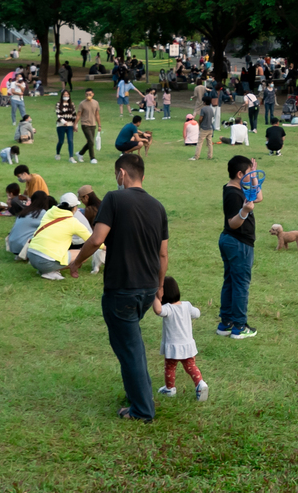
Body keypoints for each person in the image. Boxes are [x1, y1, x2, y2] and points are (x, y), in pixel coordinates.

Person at [67, 154, 169, 422]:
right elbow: (163, 255)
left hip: (122, 289)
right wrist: (159, 287)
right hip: (147, 289)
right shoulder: (158, 207)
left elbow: (97, 238)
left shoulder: (114, 197)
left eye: (116, 175)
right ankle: (137, 395)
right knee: (130, 344)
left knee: (130, 348)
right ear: (143, 176)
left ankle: (142, 410)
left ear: (121, 174)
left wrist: (76, 262)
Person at [216, 155, 260, 339]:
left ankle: (226, 323)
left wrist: (254, 176)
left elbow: (258, 196)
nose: (252, 174)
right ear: (240, 174)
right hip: (238, 243)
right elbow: (233, 223)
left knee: (231, 282)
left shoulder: (236, 187)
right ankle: (239, 327)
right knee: (241, 284)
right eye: (250, 172)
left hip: (232, 242)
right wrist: (244, 212)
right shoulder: (234, 194)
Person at [153, 276, 209, 401]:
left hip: (173, 347)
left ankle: (170, 389)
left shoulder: (168, 309)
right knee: (191, 367)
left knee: (170, 368)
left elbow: (158, 310)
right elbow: (197, 313)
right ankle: (200, 383)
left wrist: (154, 295)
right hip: (187, 346)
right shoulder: (187, 305)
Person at [25, 200, 93, 280]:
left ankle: (44, 269)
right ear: (74, 208)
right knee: (84, 254)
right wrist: (107, 248)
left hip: (31, 256)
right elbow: (93, 240)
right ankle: (49, 271)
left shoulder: (49, 213)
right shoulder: (73, 222)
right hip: (46, 261)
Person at [77, 88, 102, 165]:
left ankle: (80, 153)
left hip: (93, 124)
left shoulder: (96, 103)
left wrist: (99, 125)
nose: (88, 96)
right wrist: (75, 124)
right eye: (87, 94)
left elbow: (97, 115)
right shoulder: (82, 104)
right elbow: (78, 115)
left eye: (90, 94)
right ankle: (92, 158)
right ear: (85, 95)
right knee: (91, 141)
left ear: (93, 94)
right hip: (85, 124)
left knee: (90, 142)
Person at [55, 90, 79, 163]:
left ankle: (71, 157)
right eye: (64, 95)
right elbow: (58, 114)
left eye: (67, 95)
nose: (66, 96)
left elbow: (74, 115)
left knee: (70, 140)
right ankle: (58, 153)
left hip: (70, 125)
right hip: (61, 125)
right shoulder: (58, 104)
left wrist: (75, 125)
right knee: (61, 141)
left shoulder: (72, 104)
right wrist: (63, 121)